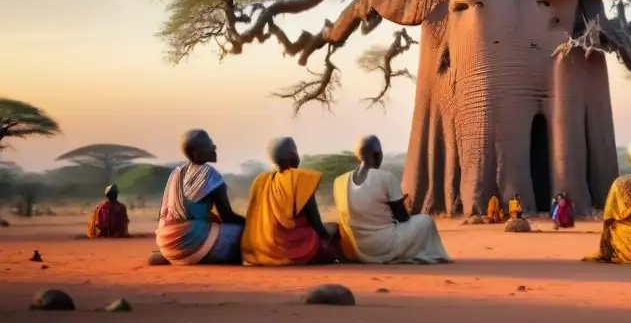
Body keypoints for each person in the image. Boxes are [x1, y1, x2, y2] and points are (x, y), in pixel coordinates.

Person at [334, 135, 452, 264]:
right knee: (426, 221)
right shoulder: (386, 178)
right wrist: (401, 203)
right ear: (377, 154)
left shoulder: (339, 181)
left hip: (357, 248)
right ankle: (420, 254)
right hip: (385, 245)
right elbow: (402, 218)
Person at [241, 137, 339, 266]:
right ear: (293, 155)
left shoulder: (260, 181)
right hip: (291, 250)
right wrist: (326, 239)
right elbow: (316, 222)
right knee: (334, 230)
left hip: (262, 250)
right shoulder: (299, 179)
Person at [156, 129, 245, 265]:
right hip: (193, 245)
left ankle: (174, 256)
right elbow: (227, 216)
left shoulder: (176, 174)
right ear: (197, 152)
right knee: (242, 233)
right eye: (210, 145)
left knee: (213, 225)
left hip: (167, 245)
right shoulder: (210, 175)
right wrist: (249, 223)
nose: (214, 148)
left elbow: (165, 213)